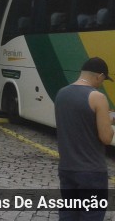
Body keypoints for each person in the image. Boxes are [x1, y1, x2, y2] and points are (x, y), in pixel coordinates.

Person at [54, 57, 113, 221]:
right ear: (99, 76)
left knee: (68, 215)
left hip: (67, 169)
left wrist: (107, 118)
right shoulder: (98, 97)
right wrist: (109, 124)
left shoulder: (62, 93)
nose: (101, 83)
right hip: (91, 172)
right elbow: (106, 138)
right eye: (103, 80)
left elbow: (79, 119)